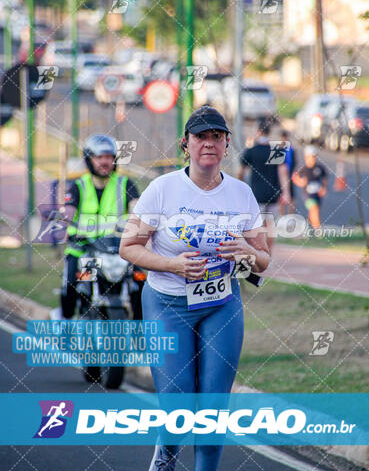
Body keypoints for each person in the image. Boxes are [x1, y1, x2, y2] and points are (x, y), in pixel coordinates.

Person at [120, 106, 270, 471]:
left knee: (215, 404)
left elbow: (263, 261)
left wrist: (247, 252)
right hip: (167, 303)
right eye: (201, 137)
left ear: (227, 144)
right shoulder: (163, 189)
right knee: (176, 399)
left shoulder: (241, 194)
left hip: (222, 303)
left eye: (216, 137)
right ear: (185, 144)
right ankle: (167, 456)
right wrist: (174, 264)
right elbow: (129, 247)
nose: (209, 144)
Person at [60, 134, 140, 319]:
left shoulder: (125, 184)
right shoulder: (78, 186)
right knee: (72, 283)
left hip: (119, 251)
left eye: (109, 157)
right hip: (85, 251)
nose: (105, 161)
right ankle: (67, 323)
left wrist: (139, 220)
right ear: (89, 160)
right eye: (99, 157)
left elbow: (136, 208)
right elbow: (68, 211)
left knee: (139, 282)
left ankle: (140, 331)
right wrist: (64, 223)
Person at [238, 119, 290, 253]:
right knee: (271, 225)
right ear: (269, 132)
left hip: (257, 193)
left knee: (257, 226)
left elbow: (240, 172)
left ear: (258, 132)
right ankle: (269, 253)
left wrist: (242, 188)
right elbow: (282, 172)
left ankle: (259, 252)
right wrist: (286, 192)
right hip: (273, 192)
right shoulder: (275, 150)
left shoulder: (251, 151)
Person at [292, 145, 328, 229]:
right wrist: (301, 182)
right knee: (314, 210)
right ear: (306, 157)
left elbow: (325, 178)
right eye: (311, 157)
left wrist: (324, 188)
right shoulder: (303, 169)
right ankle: (318, 230)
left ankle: (307, 227)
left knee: (313, 212)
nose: (313, 159)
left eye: (314, 157)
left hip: (317, 194)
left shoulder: (320, 168)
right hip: (307, 195)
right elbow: (295, 178)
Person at [279, 129, 297, 215]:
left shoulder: (291, 149)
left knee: (291, 198)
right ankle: (282, 216)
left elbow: (294, 162)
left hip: (289, 175)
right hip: (281, 176)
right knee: (281, 197)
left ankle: (290, 216)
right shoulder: (279, 149)